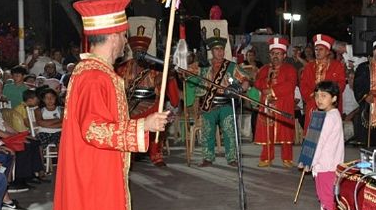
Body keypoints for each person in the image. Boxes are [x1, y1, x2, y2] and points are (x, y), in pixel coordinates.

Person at [47, 0, 171, 210]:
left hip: (98, 170)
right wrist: (142, 127)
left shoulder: (96, 73)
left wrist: (140, 123)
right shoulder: (95, 78)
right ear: (114, 36)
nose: (125, 41)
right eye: (123, 34)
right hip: (93, 175)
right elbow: (94, 130)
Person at [117, 30, 181, 167]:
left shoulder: (153, 67)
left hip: (152, 102)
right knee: (128, 121)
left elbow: (163, 81)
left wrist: (168, 74)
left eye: (142, 50)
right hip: (131, 104)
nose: (139, 52)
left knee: (157, 116)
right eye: (137, 50)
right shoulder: (123, 68)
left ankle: (155, 155)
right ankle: (130, 157)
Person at [187, 29, 250, 168]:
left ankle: (232, 157)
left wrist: (241, 87)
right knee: (207, 132)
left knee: (229, 131)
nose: (220, 52)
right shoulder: (203, 65)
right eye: (216, 49)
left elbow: (245, 78)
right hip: (208, 103)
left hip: (226, 103)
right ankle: (207, 158)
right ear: (212, 51)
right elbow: (186, 73)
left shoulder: (231, 66)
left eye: (222, 49)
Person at [302, 81, 345, 210]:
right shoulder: (325, 115)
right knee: (322, 196)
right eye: (317, 95)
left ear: (334, 98)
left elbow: (319, 143)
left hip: (327, 165)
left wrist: (308, 161)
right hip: (321, 165)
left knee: (327, 197)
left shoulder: (331, 117)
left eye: (324, 96)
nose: (319, 99)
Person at [254, 37, 298, 167]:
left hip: (283, 105)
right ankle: (266, 157)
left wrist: (272, 91)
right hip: (267, 105)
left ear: (284, 55)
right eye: (273, 53)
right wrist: (265, 83)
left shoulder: (290, 69)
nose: (275, 56)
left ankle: (287, 159)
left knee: (285, 131)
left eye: (278, 53)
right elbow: (257, 82)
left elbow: (290, 85)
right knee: (267, 131)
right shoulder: (264, 69)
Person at [299, 34, 346, 130]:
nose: (317, 52)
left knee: (330, 134)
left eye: (321, 49)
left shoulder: (337, 65)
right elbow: (303, 85)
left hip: (331, 105)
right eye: (316, 49)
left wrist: (328, 96)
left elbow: (341, 84)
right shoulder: (309, 66)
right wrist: (313, 95)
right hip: (313, 103)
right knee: (313, 136)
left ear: (328, 51)